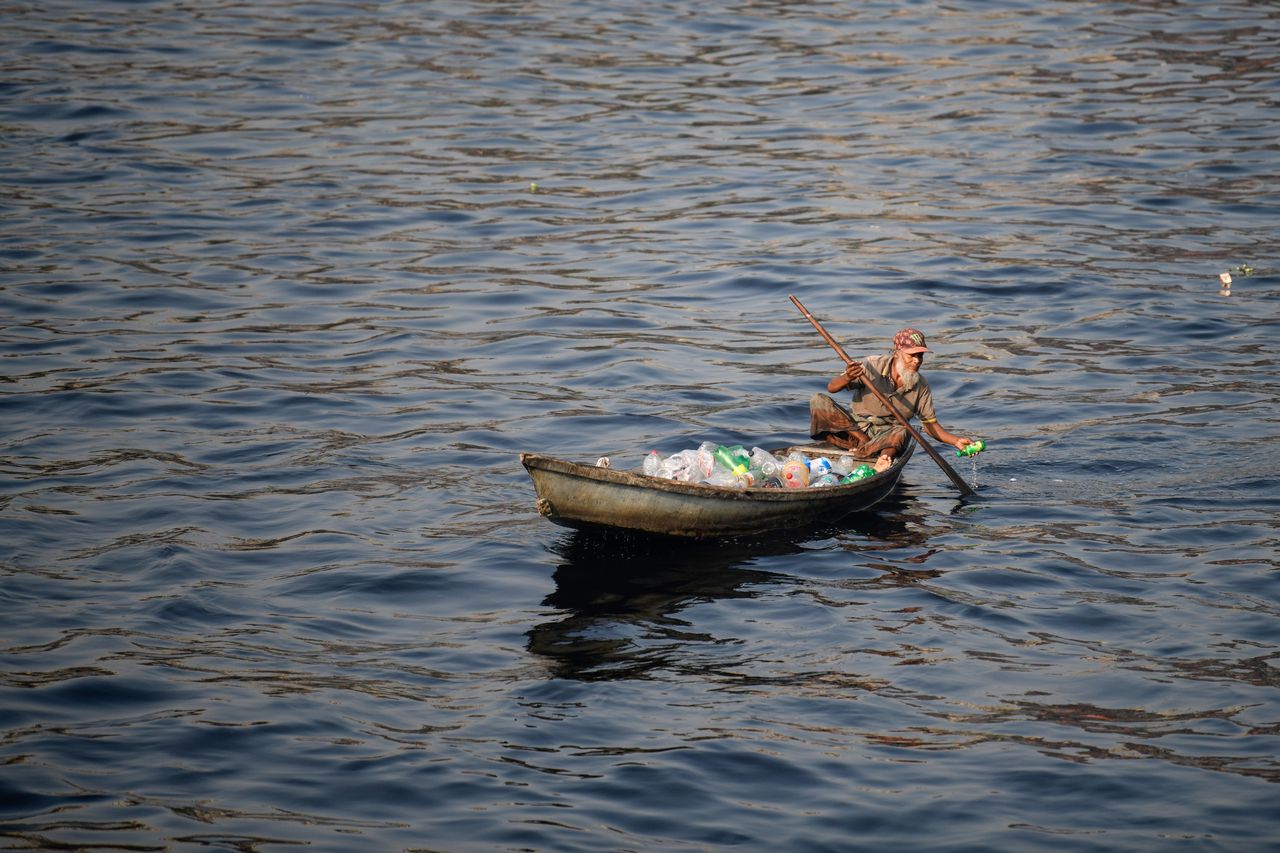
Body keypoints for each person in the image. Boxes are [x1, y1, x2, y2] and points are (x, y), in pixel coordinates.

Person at [809, 327, 974, 470]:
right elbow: (832, 387)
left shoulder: (921, 386)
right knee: (818, 400)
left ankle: (883, 459)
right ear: (897, 353)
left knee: (905, 429)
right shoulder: (871, 365)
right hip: (857, 431)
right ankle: (864, 445)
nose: (917, 361)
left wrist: (956, 441)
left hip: (887, 440)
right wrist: (847, 377)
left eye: (920, 356)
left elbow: (930, 425)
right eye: (912, 355)